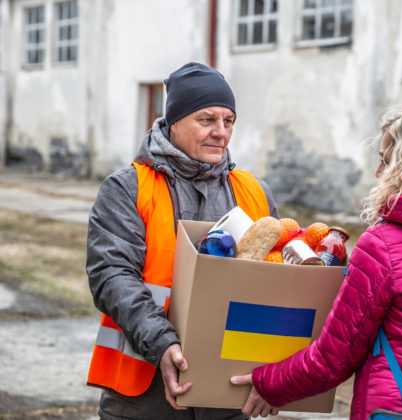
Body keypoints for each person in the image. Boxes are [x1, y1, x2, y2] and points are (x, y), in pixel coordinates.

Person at [231, 106, 402, 419]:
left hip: (400, 410)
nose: (379, 172)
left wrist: (268, 384)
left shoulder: (384, 246)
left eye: (385, 160)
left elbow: (333, 359)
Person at [86, 62, 279, 420]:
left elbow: (277, 285)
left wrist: (279, 375)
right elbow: (112, 276)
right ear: (172, 122)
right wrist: (162, 343)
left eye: (229, 121)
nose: (221, 132)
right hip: (144, 398)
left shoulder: (254, 193)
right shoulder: (128, 188)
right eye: (206, 120)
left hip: (229, 398)